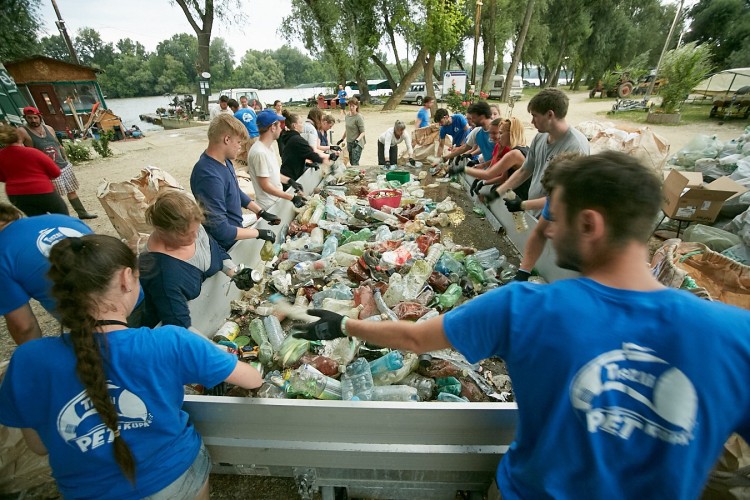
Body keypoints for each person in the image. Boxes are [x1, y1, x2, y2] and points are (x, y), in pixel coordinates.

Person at [296, 151, 750, 499]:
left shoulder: (524, 307)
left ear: (589, 223)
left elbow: (416, 337)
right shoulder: (734, 335)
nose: (547, 228)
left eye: (556, 216)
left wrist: (343, 327)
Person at [0, 234, 263, 499]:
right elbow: (252, 379)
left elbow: (39, 446)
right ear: (127, 278)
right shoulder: (170, 341)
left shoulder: (27, 360)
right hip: (174, 476)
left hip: (86, 491)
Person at [139, 190, 255, 329]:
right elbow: (178, 328)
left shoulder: (192, 227)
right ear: (164, 232)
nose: (195, 236)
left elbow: (214, 251)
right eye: (188, 234)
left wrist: (235, 272)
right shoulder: (161, 273)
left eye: (197, 229)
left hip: (203, 314)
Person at [485, 88, 589, 215]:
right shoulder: (540, 137)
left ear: (550, 115)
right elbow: (524, 171)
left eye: (535, 116)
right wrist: (498, 192)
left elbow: (565, 196)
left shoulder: (576, 146)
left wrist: (523, 204)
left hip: (554, 219)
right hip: (534, 212)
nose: (532, 122)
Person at [0, 203, 93, 345]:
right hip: (132, 299)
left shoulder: (3, 252)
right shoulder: (62, 219)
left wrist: (34, 358)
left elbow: (24, 327)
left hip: (89, 324)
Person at [190, 114, 278, 251]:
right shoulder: (208, 175)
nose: (240, 147)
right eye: (238, 142)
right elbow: (220, 229)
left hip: (236, 234)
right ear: (227, 139)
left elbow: (234, 191)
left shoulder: (225, 161)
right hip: (224, 245)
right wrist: (258, 233)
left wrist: (260, 211)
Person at [16, 107, 97, 219]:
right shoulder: (22, 131)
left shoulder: (49, 128)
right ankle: (60, 219)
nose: (33, 120)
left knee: (72, 191)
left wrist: (65, 158)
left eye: (35, 117)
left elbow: (58, 145)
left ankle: (82, 213)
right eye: (29, 118)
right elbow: (18, 150)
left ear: (40, 117)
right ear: (25, 118)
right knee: (54, 196)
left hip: (62, 165)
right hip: (45, 169)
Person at [449, 118, 529, 197]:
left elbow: (488, 174)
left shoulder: (514, 154)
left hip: (524, 196)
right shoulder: (524, 149)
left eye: (500, 133)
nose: (499, 137)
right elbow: (503, 177)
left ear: (511, 133)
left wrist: (462, 169)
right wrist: (483, 182)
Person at [0, 124, 68, 216]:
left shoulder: (2, 156)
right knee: (61, 215)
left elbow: (2, 177)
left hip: (16, 194)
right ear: (19, 137)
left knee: (38, 219)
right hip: (42, 190)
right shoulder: (33, 152)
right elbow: (55, 172)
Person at [248, 109, 307, 210]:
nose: (281, 128)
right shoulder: (259, 152)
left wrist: (290, 181)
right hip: (269, 206)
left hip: (276, 201)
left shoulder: (269, 147)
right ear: (273, 127)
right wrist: (291, 198)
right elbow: (265, 186)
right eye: (280, 125)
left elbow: (272, 174)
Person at [280, 111, 330, 181]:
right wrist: (324, 160)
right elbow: (310, 153)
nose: (303, 125)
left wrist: (306, 164)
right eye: (300, 123)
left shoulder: (289, 137)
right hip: (290, 177)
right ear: (294, 125)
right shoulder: (297, 140)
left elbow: (295, 156)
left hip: (288, 172)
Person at [337, 97, 365, 166]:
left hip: (357, 143)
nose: (351, 107)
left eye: (353, 106)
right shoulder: (347, 116)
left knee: (355, 162)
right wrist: (342, 139)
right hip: (349, 142)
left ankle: (358, 175)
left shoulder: (359, 117)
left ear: (356, 106)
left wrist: (357, 140)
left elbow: (363, 132)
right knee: (351, 161)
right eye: (350, 105)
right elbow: (347, 129)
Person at [232, 98, 259, 170]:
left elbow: (235, 130)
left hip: (249, 137)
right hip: (258, 135)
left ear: (232, 108)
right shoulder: (250, 110)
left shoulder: (235, 116)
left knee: (251, 159)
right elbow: (256, 121)